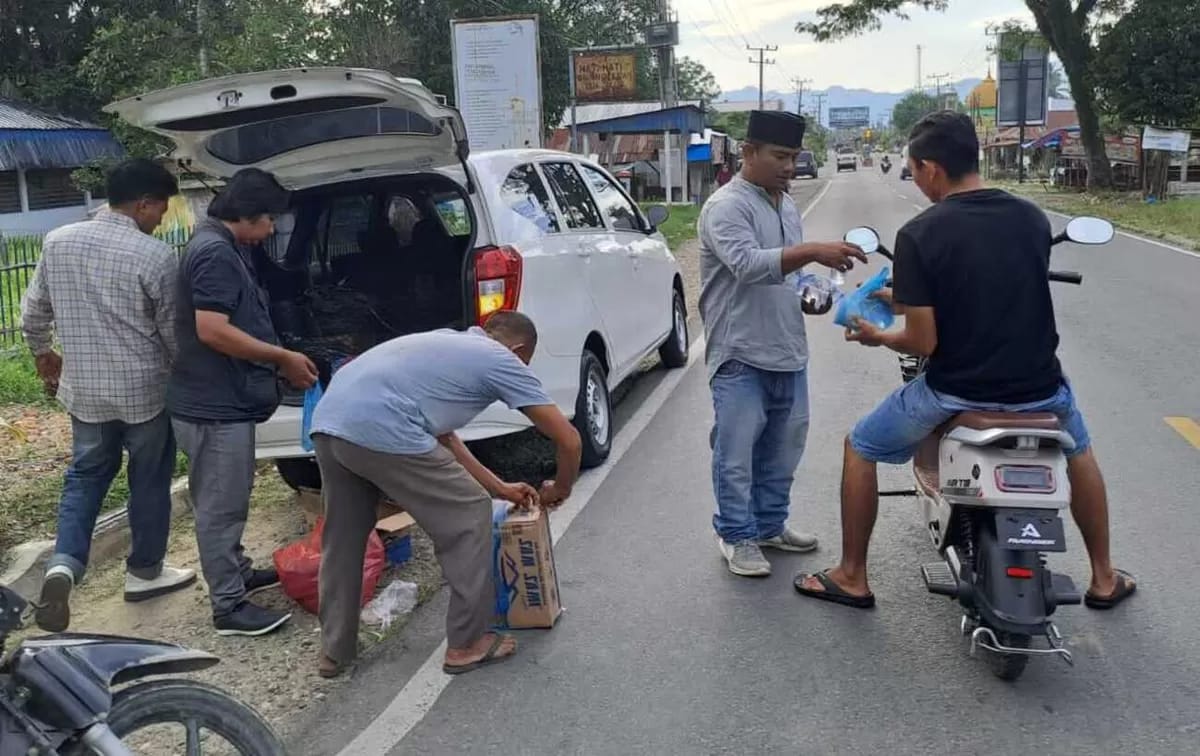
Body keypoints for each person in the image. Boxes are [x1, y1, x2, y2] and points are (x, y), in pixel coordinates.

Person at [795, 111, 1135, 610]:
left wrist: (879, 335)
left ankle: (851, 575)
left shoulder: (920, 234)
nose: (914, 178)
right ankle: (1104, 577)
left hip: (956, 391)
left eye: (913, 169)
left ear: (931, 168)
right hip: (1040, 389)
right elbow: (989, 293)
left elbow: (923, 343)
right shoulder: (1031, 218)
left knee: (860, 447)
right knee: (1078, 450)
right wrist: (902, 298)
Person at [309, 311, 582, 678]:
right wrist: (560, 487)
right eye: (526, 362)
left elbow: (444, 436)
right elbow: (569, 439)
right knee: (470, 515)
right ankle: (468, 644)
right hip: (382, 425)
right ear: (518, 350)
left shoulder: (449, 341)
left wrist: (499, 487)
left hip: (330, 422)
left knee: (343, 538)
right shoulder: (501, 360)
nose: (523, 370)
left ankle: (334, 652)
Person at [21, 159, 196, 632]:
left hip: (87, 393)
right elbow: (172, 338)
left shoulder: (57, 242)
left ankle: (65, 564)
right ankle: (144, 572)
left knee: (84, 477)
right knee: (149, 479)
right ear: (143, 203)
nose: (161, 219)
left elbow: (33, 312)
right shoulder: (154, 256)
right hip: (144, 395)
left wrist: (44, 354)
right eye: (160, 209)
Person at [698, 110, 868, 577]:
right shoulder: (726, 206)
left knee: (783, 449)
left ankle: (770, 525)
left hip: (788, 350)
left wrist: (812, 293)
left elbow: (787, 276)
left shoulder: (785, 205)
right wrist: (813, 250)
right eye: (779, 156)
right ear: (747, 152)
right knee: (734, 454)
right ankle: (736, 534)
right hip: (739, 352)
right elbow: (748, 265)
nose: (790, 166)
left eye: (794, 157)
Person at [170, 168, 318, 636]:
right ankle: (228, 606)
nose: (272, 230)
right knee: (220, 503)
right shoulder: (214, 252)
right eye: (270, 220)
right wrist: (281, 358)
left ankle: (237, 573)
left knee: (230, 494)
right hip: (211, 404)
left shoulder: (221, 244)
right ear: (249, 215)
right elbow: (212, 330)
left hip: (223, 399)